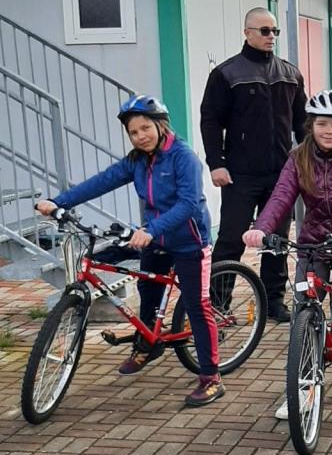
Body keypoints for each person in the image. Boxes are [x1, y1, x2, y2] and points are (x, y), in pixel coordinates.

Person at [35, 95, 223, 408]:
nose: (140, 136)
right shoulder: (137, 160)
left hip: (188, 241)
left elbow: (188, 204)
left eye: (145, 128)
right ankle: (147, 346)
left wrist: (150, 229)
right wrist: (58, 202)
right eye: (133, 132)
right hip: (156, 240)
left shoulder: (183, 157)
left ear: (160, 126)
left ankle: (211, 378)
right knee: (147, 288)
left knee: (197, 307)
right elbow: (101, 182)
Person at [243, 90, 332, 425]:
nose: (329, 131)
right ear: (311, 126)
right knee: (303, 313)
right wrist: (261, 228)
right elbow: (281, 197)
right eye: (322, 124)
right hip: (312, 244)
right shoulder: (298, 158)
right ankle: (303, 387)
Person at [200, 6, 307, 324]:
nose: (271, 36)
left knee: (276, 240)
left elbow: (303, 124)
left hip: (280, 174)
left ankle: (274, 301)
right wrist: (216, 163)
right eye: (264, 30)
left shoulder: (290, 74)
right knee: (231, 240)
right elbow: (210, 121)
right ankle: (217, 306)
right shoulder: (226, 74)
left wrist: (308, 161)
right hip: (239, 175)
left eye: (274, 31)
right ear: (247, 33)